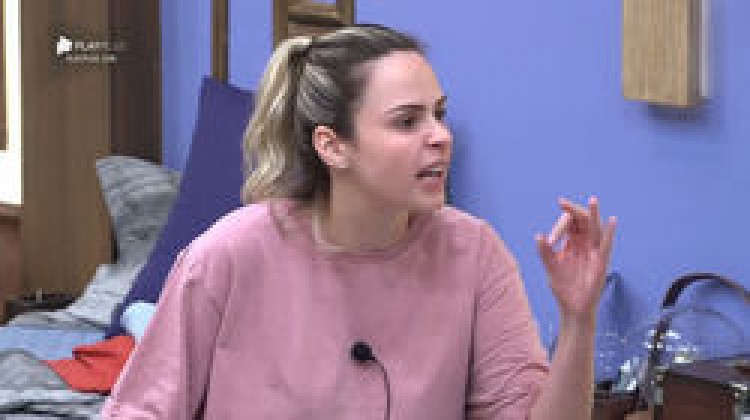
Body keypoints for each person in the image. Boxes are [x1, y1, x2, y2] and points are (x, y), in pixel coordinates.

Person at [101, 24, 616, 419]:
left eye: (438, 114)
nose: (440, 136)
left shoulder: (474, 253)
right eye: (407, 121)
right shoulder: (230, 254)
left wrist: (578, 320)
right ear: (332, 146)